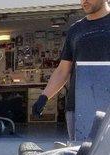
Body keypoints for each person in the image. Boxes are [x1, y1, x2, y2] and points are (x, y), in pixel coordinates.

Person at [33, 0, 110, 141]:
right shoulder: (76, 30)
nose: (84, 0)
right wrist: (44, 97)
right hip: (78, 107)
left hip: (108, 103)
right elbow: (63, 70)